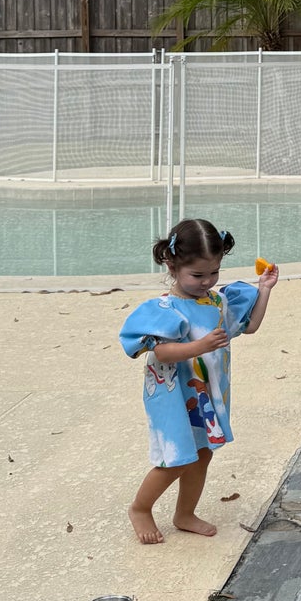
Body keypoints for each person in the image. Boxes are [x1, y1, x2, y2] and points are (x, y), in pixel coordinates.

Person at [120, 219, 278, 545]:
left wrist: (263, 290)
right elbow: (162, 353)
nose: (207, 281)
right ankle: (140, 508)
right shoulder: (166, 310)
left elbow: (249, 327)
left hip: (206, 393)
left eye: (214, 273)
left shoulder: (216, 302)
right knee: (176, 457)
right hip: (173, 394)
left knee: (202, 453)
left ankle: (184, 513)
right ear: (171, 264)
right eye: (198, 275)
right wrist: (199, 347)